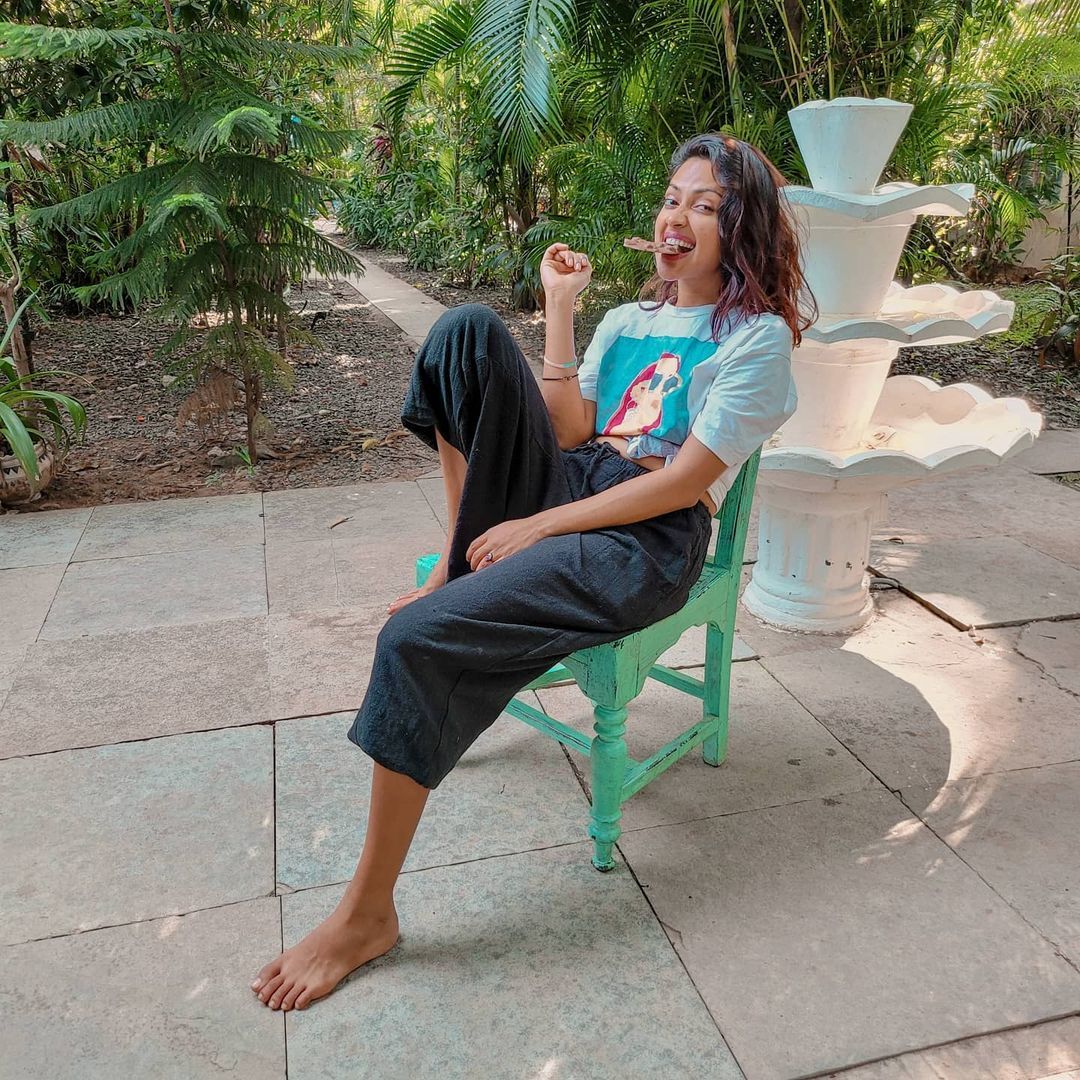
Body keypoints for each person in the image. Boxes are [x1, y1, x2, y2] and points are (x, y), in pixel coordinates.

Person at [250, 133, 817, 1012]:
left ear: (742, 231)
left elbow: (684, 482)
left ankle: (367, 914)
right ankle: (458, 560)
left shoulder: (755, 340)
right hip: (577, 481)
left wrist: (539, 525)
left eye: (706, 206)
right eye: (673, 198)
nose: (677, 216)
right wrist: (560, 308)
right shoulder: (628, 322)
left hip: (649, 535)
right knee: (466, 332)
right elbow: (567, 431)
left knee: (412, 640)